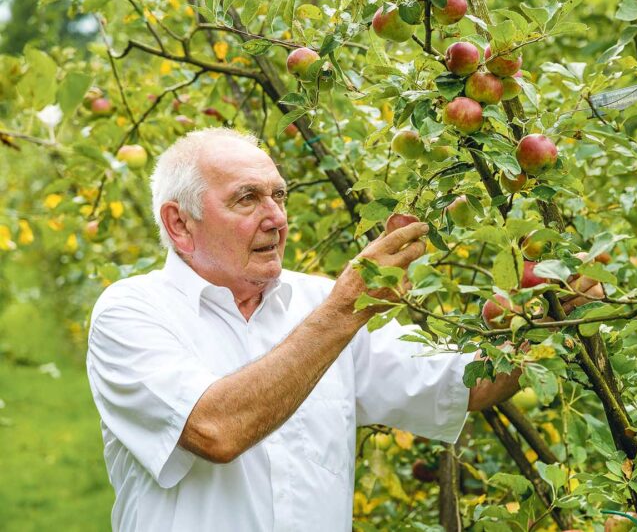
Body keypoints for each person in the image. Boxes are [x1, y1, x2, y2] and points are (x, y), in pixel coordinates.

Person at [86, 127, 599, 532]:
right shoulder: (131, 313)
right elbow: (215, 430)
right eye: (247, 199)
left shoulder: (316, 301)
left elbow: (461, 383)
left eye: (279, 196)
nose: (276, 218)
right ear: (179, 224)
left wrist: (548, 319)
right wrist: (347, 309)